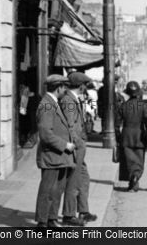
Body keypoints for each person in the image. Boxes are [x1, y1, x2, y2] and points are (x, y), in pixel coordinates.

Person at [34, 74, 76, 227]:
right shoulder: (46, 105)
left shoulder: (52, 102)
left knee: (57, 189)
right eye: (65, 88)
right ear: (59, 87)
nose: (66, 91)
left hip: (58, 156)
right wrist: (65, 145)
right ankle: (42, 222)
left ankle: (51, 219)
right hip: (52, 155)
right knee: (47, 190)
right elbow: (45, 133)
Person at [60, 71, 96, 226]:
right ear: (81, 86)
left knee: (83, 178)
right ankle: (69, 215)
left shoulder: (73, 99)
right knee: (73, 181)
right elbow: (70, 125)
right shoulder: (68, 100)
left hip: (79, 146)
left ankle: (83, 210)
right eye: (85, 85)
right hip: (75, 147)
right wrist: (78, 143)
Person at [115, 81, 147, 192]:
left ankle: (132, 180)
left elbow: (116, 125)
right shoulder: (143, 106)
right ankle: (136, 176)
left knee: (129, 160)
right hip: (139, 135)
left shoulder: (123, 106)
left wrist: (118, 137)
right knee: (139, 160)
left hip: (126, 135)